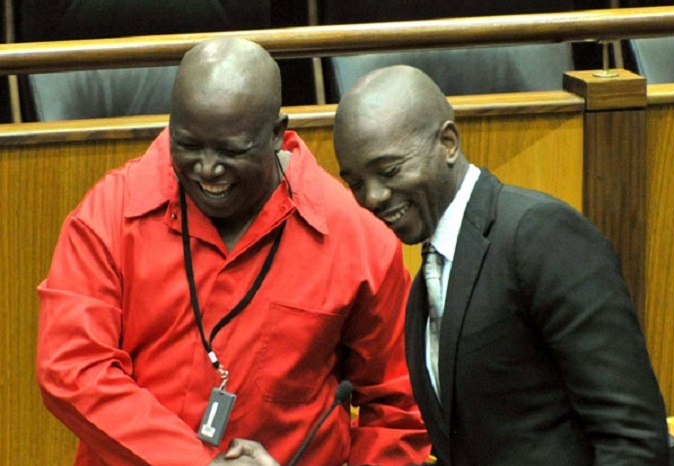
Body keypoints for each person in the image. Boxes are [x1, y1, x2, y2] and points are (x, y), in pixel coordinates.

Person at [36, 39, 430, 466]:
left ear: (277, 133)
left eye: (231, 150)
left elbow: (399, 406)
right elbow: (72, 367)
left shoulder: (358, 240)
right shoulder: (110, 213)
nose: (207, 169)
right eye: (188, 145)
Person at [332, 65, 670, 466]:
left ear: (448, 143)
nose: (372, 197)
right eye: (354, 183)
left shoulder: (541, 235)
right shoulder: (428, 282)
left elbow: (631, 437)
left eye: (389, 171)